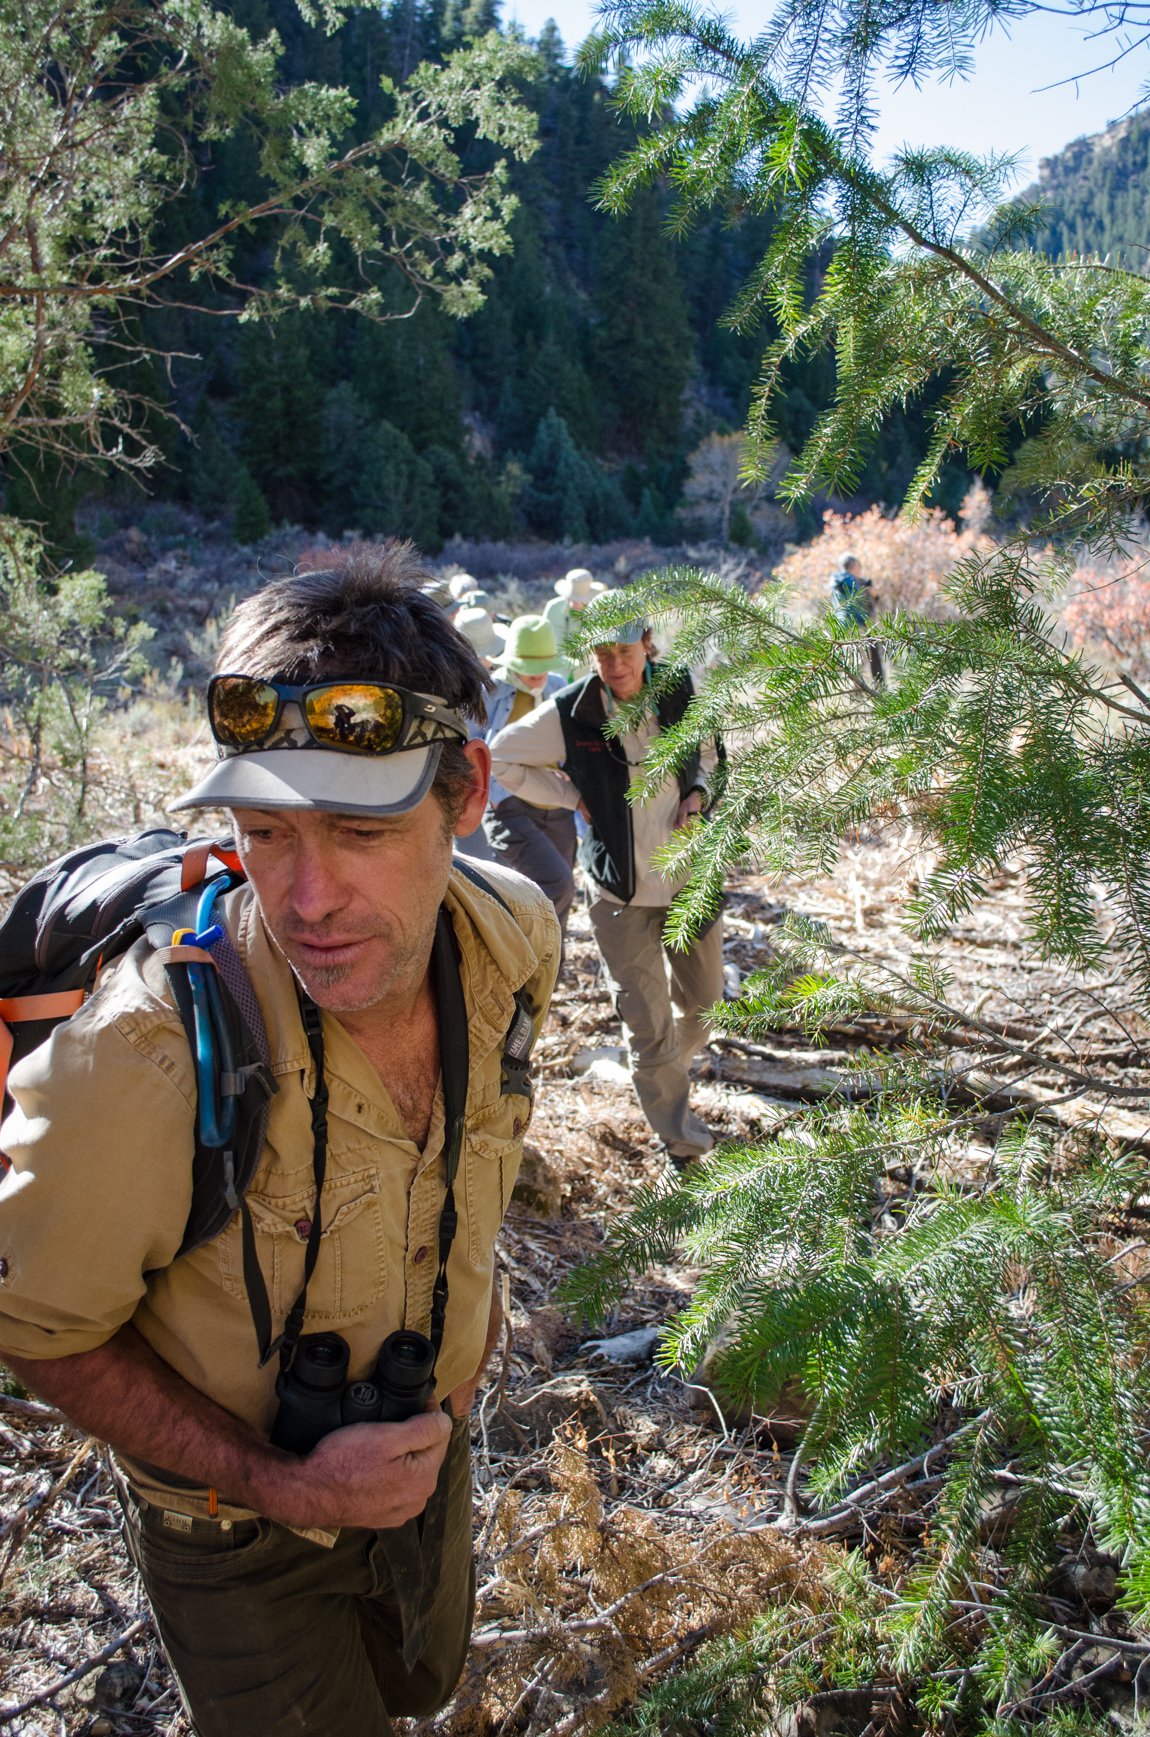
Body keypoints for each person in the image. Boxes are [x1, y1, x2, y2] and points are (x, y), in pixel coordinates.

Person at [0, 547, 561, 1737]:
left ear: (464, 792)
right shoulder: (143, 1057)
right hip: (235, 1534)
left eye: (357, 836)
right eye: (266, 833)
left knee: (420, 1685)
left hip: (429, 1462)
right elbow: (36, 1331)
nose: (307, 900)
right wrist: (279, 1482)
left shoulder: (512, 938)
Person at [490, 618, 722, 1168]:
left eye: (625, 650)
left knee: (708, 1007)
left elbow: (712, 756)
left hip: (689, 880)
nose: (614, 663)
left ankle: (659, 1063)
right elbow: (501, 758)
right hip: (618, 891)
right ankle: (682, 1143)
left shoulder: (683, 690)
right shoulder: (573, 711)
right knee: (650, 1025)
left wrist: (697, 793)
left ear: (647, 647)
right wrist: (570, 797)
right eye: (602, 652)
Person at [482, 616, 576, 934]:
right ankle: (510, 955)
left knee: (561, 898)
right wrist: (491, 798)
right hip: (508, 805)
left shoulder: (558, 688)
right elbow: (465, 751)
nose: (537, 673)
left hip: (555, 803)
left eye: (543, 664)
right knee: (556, 884)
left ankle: (546, 980)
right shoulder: (488, 693)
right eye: (528, 664)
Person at [829, 553, 883, 685]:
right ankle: (877, 688)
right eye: (859, 566)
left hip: (846, 626)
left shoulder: (838, 582)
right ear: (854, 566)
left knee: (855, 660)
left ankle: (857, 692)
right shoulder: (852, 582)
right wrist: (870, 591)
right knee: (862, 659)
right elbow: (863, 602)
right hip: (859, 624)